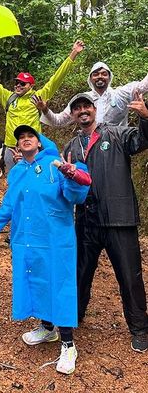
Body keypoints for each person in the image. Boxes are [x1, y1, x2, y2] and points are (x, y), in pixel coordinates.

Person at [0, 125, 91, 375]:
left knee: (58, 286)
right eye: (21, 138)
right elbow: (9, 206)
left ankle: (68, 344)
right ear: (17, 146)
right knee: (36, 281)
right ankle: (47, 328)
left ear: (39, 143)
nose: (25, 140)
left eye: (31, 137)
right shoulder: (16, 172)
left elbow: (75, 196)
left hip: (55, 240)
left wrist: (70, 173)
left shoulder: (54, 164)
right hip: (26, 239)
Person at [63, 92, 148, 353]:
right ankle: (73, 317)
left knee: (129, 276)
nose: (82, 111)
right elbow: (65, 186)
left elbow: (142, 140)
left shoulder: (117, 134)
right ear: (73, 115)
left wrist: (145, 117)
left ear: (94, 109)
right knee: (80, 273)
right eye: (77, 108)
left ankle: (140, 328)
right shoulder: (71, 147)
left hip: (119, 219)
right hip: (86, 220)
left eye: (86, 106)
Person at [0, 40, 85, 173]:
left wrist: (73, 53)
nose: (18, 85)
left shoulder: (38, 97)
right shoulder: (8, 97)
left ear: (31, 86)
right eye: (17, 82)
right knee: (14, 182)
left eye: (23, 83)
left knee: (34, 180)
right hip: (11, 147)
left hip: (32, 148)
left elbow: (57, 78)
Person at [39, 61, 148, 127]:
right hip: (90, 147)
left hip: (118, 146)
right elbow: (59, 121)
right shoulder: (82, 100)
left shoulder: (121, 94)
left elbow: (143, 86)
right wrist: (45, 110)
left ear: (110, 77)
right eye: (95, 74)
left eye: (104, 74)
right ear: (90, 79)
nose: (100, 76)